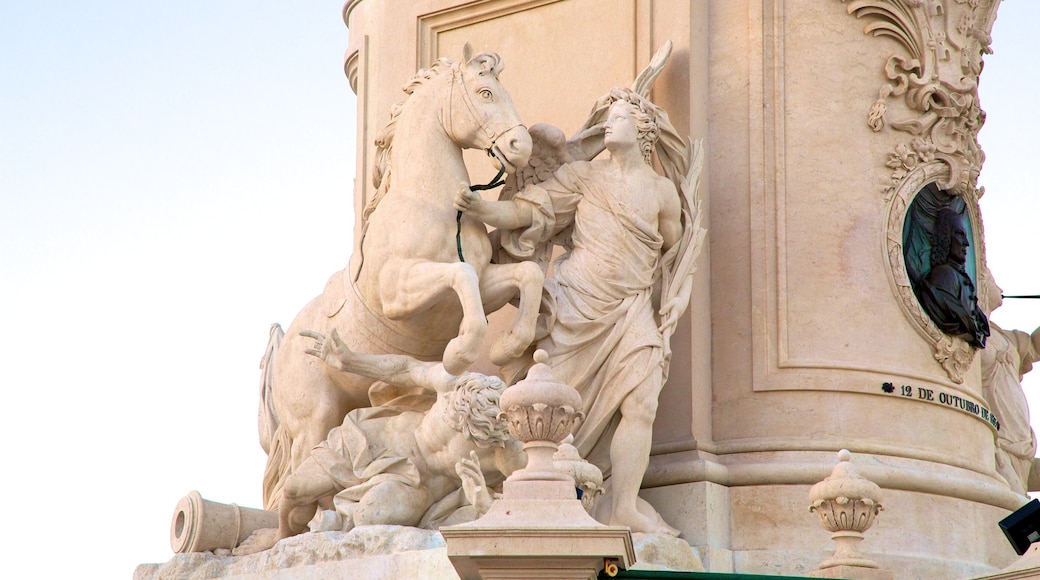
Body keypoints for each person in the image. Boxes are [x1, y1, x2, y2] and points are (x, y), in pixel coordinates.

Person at [454, 91, 691, 535]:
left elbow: (672, 254)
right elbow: (531, 209)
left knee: (642, 403)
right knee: (547, 406)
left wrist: (676, 295)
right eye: (608, 118)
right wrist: (483, 209)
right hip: (576, 305)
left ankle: (624, 507)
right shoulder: (583, 176)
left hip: (632, 307)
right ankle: (529, 491)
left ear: (643, 131)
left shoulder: (662, 193)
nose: (608, 125)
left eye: (619, 118)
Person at [234, 328, 525, 555]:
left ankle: (329, 525)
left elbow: (528, 505)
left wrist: (484, 503)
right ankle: (282, 536)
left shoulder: (505, 451)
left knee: (368, 516)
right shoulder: (453, 384)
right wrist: (350, 361)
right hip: (376, 440)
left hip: (415, 486)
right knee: (295, 489)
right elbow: (406, 369)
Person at [980, 271, 1040, 495]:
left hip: (1022, 444)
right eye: (993, 282)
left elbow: (1034, 346)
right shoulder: (970, 332)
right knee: (1012, 504)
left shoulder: (1004, 337)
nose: (1001, 289)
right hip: (997, 444)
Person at [917, 208, 989, 348]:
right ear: (946, 237)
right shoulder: (944, 275)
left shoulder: (959, 277)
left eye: (965, 236)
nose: (966, 243)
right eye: (960, 234)